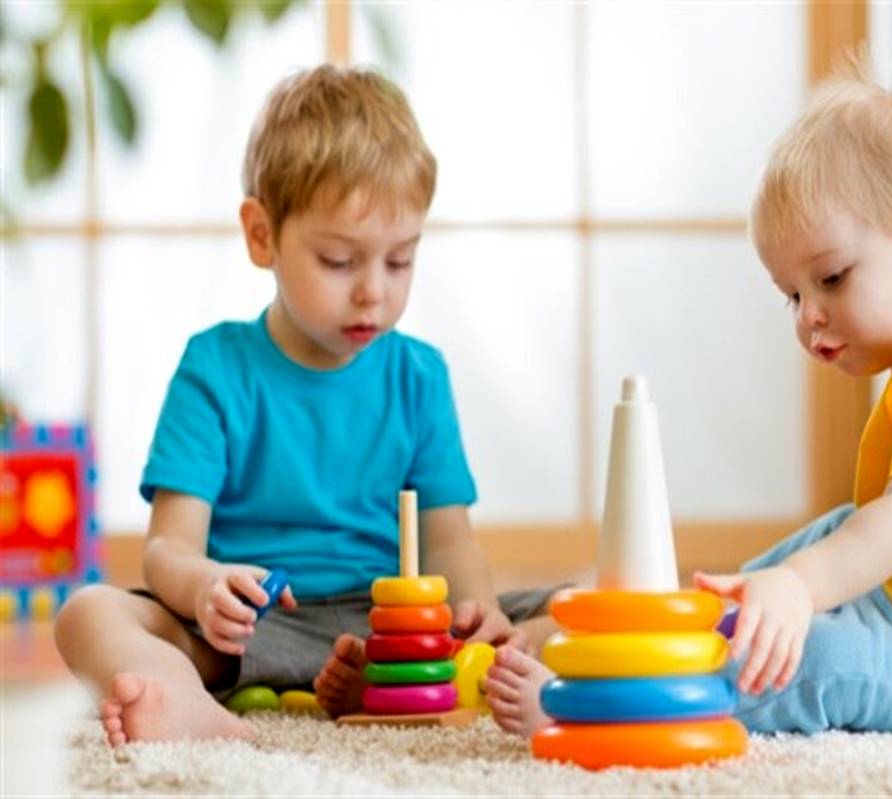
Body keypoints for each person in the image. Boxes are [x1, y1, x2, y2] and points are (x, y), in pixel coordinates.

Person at [483, 69, 892, 737]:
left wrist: (802, 586)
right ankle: (674, 622)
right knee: (839, 528)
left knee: (820, 658)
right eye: (793, 295)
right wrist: (790, 582)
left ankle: (606, 704)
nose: (809, 315)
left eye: (831, 277)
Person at [54, 65, 537, 747]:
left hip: (390, 632)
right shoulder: (215, 368)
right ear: (262, 235)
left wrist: (475, 610)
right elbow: (168, 547)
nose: (374, 291)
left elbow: (450, 538)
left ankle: (435, 682)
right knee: (87, 613)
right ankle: (181, 699)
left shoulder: (420, 375)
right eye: (339, 261)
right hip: (247, 635)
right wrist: (206, 587)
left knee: (574, 608)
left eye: (400, 260)